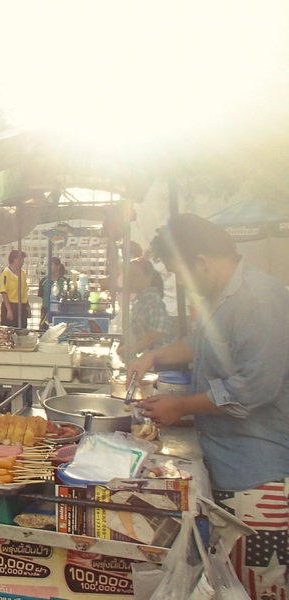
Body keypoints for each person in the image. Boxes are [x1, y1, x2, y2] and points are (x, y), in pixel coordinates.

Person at [128, 214, 289, 600]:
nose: (179, 283)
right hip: (226, 466)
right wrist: (154, 355)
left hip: (260, 476)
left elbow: (253, 388)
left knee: (260, 587)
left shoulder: (260, 298)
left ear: (201, 261)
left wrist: (181, 406)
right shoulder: (223, 295)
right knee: (232, 582)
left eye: (179, 273)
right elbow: (200, 344)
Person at [118, 257, 173, 358]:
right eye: (127, 276)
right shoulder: (141, 300)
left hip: (157, 364)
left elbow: (160, 329)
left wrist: (134, 348)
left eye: (133, 275)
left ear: (149, 278)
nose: (129, 279)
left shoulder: (150, 299)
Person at [0, 249, 28, 328]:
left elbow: (24, 290)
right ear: (15, 259)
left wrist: (28, 307)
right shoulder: (6, 273)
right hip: (11, 305)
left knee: (22, 329)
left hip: (22, 305)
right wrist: (9, 310)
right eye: (21, 259)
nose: (22, 261)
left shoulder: (23, 273)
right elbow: (4, 292)